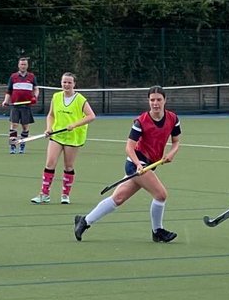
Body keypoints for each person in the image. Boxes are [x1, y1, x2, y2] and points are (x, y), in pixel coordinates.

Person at [74, 86, 179, 243]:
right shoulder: (141, 121)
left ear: (165, 100)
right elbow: (129, 147)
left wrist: (171, 153)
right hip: (136, 164)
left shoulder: (173, 118)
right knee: (161, 195)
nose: (155, 103)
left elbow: (176, 142)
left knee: (118, 198)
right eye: (152, 100)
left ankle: (84, 221)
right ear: (148, 101)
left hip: (150, 164)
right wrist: (138, 164)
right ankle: (158, 231)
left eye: (159, 100)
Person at [31, 72, 97, 205]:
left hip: (73, 137)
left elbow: (91, 116)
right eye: (64, 82)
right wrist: (49, 128)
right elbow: (50, 115)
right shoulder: (56, 97)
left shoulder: (80, 99)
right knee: (50, 163)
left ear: (74, 84)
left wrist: (74, 124)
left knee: (68, 166)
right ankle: (44, 194)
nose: (66, 85)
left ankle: (65, 195)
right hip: (57, 135)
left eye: (69, 82)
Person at [1, 56, 38, 155]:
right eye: (21, 64)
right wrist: (5, 101)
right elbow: (9, 91)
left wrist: (35, 97)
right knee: (14, 125)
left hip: (26, 106)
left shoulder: (31, 77)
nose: (23, 66)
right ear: (18, 65)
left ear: (27, 65)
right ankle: (12, 146)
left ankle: (22, 145)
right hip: (15, 105)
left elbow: (36, 88)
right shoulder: (13, 77)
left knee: (25, 127)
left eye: (25, 64)